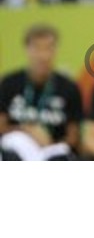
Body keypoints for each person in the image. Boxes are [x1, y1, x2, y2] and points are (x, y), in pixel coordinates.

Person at [0, 25, 83, 161]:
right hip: (15, 152)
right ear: (27, 50)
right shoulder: (9, 83)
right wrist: (26, 131)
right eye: (37, 48)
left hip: (52, 153)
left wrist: (49, 144)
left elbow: (74, 137)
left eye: (48, 48)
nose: (43, 55)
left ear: (56, 50)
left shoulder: (69, 87)